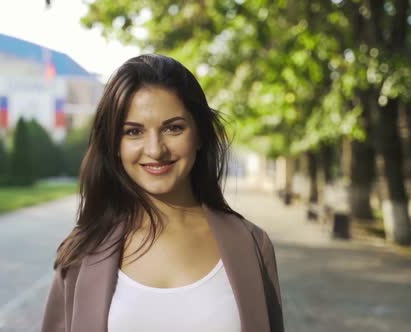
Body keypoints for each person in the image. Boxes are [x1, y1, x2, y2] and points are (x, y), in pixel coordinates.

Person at [41, 54, 284, 332]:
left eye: (173, 128)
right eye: (133, 132)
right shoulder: (80, 254)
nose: (156, 149)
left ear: (200, 134)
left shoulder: (252, 245)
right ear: (113, 144)